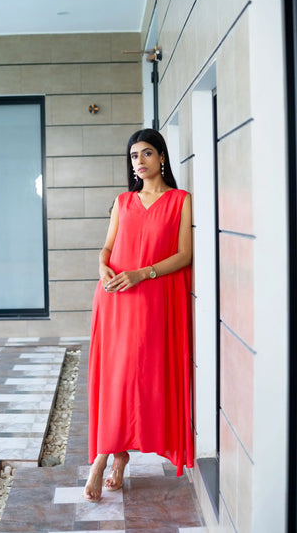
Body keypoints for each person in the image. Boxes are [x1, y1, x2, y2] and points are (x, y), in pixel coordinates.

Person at [83, 128, 194, 502]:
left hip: (152, 299)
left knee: (139, 377)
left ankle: (118, 454)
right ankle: (107, 458)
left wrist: (141, 273)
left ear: (162, 157)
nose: (140, 162)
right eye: (134, 156)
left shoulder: (181, 200)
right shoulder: (123, 202)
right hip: (115, 300)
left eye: (147, 153)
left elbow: (183, 255)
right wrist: (103, 268)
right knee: (115, 377)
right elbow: (107, 247)